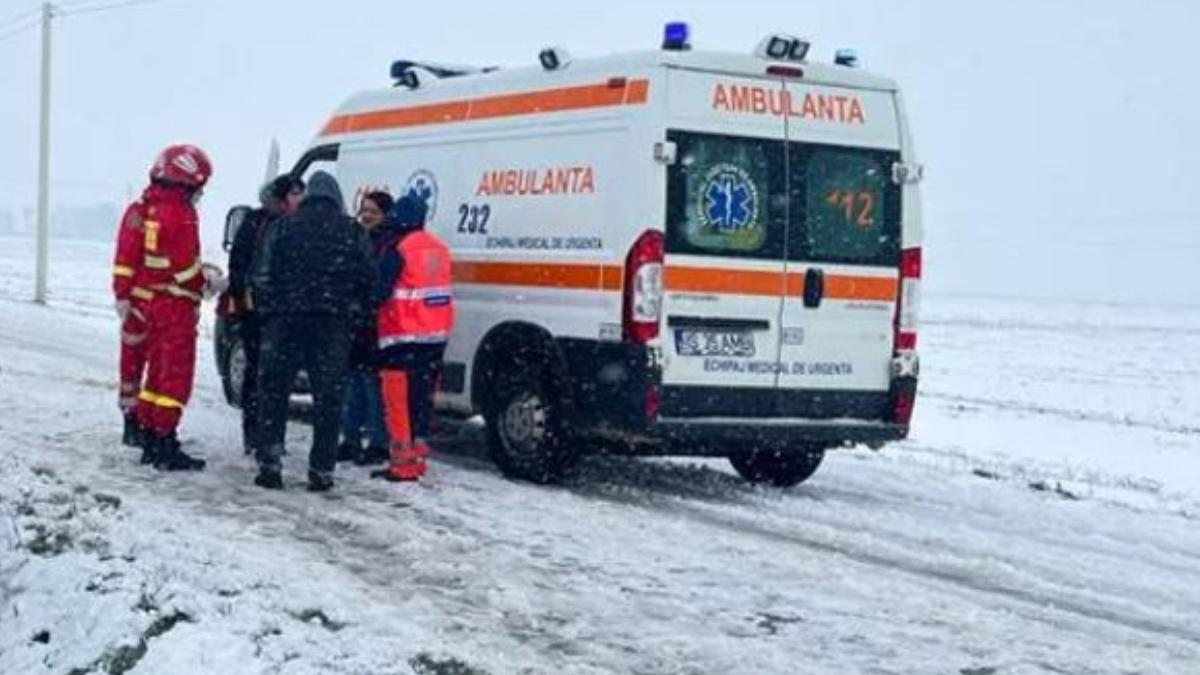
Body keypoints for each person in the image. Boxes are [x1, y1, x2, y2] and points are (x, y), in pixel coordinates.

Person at [250, 171, 375, 491]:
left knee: (274, 395)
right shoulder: (353, 231)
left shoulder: (283, 227)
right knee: (329, 402)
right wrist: (351, 315)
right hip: (332, 326)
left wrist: (270, 313)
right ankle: (321, 470)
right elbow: (368, 281)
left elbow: (260, 276)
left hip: (285, 324)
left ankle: (270, 464)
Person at [112, 144, 216, 471]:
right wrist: (208, 281)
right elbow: (184, 267)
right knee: (173, 377)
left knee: (152, 373)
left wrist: (124, 294)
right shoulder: (180, 213)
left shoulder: (147, 209)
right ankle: (163, 440)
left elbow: (129, 257)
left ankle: (148, 432)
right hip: (174, 307)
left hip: (149, 303)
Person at [372, 194, 455, 482]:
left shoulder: (399, 248)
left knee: (398, 402)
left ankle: (401, 462)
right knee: (421, 399)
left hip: (402, 335)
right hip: (435, 335)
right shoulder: (440, 248)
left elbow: (379, 291)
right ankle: (417, 454)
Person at [222, 174, 304, 456]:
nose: (299, 199)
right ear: (281, 197)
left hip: (287, 312)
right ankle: (254, 433)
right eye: (294, 193)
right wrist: (245, 299)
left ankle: (271, 435)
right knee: (258, 373)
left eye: (301, 193)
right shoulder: (257, 222)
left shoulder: (300, 225)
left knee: (280, 377)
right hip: (257, 312)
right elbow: (238, 264)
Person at [338, 190, 394, 466]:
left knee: (372, 387)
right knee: (354, 384)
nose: (367, 215)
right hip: (357, 323)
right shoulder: (359, 238)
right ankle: (350, 439)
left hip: (376, 323)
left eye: (373, 210)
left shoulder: (387, 244)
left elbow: (379, 285)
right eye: (364, 210)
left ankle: (377, 443)